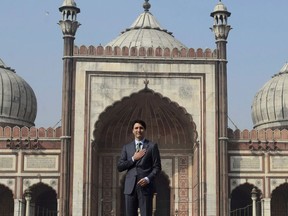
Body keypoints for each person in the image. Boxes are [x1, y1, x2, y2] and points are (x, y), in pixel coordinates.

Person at [117, 119, 161, 216]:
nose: (138, 130)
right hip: (130, 187)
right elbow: (120, 167)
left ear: (144, 130)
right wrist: (133, 158)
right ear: (132, 130)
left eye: (141, 128)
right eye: (136, 128)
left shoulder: (152, 146)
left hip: (145, 186)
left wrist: (147, 179)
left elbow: (157, 167)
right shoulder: (126, 147)